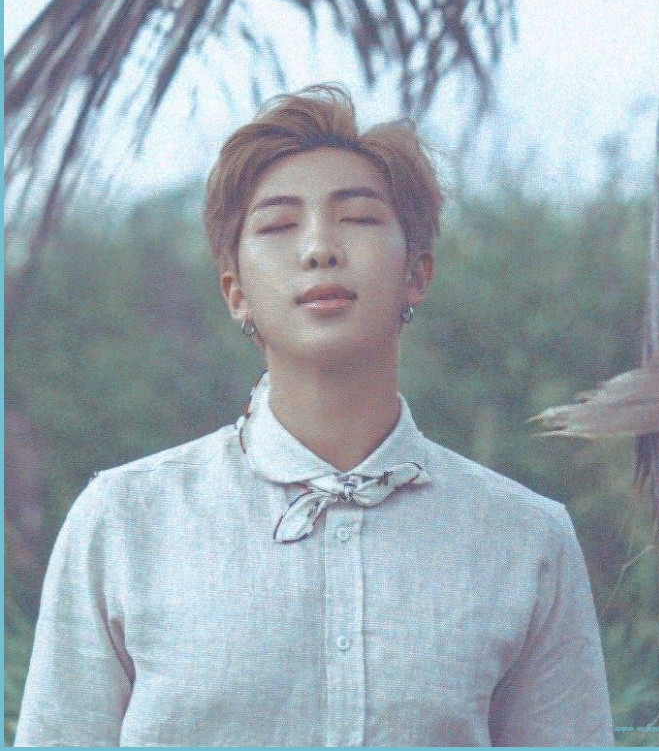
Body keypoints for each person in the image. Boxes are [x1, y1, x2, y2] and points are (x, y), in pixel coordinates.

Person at [15, 84, 615, 747]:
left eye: (357, 217)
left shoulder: (525, 537)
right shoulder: (125, 521)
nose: (320, 249)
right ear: (236, 293)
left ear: (417, 273)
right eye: (277, 226)